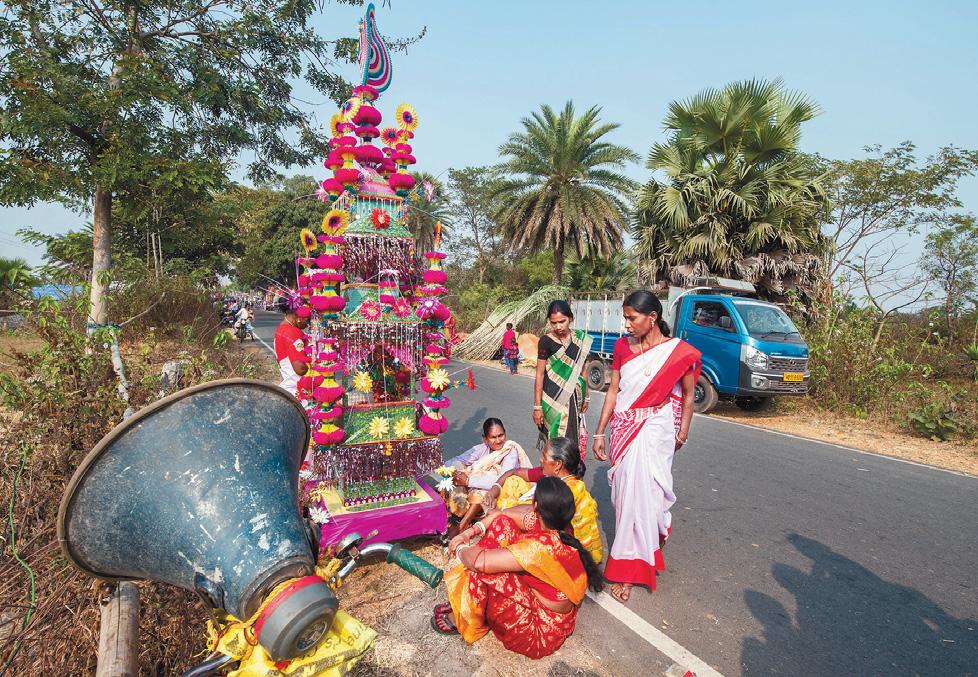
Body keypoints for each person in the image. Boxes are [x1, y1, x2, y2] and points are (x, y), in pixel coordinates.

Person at [591, 290, 700, 603]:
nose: (626, 324)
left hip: (656, 428)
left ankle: (629, 570)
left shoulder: (677, 352)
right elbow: (613, 392)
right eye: (625, 317)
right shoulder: (622, 346)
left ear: (652, 318)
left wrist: (683, 432)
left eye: (632, 318)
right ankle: (649, 540)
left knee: (649, 495)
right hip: (625, 426)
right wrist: (600, 433)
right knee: (626, 499)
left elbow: (690, 396)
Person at [433, 477, 604, 658]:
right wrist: (470, 532)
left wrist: (459, 547)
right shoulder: (558, 526)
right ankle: (469, 604)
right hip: (545, 607)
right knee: (502, 526)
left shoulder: (539, 548)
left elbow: (479, 562)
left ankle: (466, 619)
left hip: (538, 632)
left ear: (536, 505)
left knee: (485, 572)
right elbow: (502, 515)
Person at [482, 436, 603, 564]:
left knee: (504, 522)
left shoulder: (565, 492)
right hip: (550, 529)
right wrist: (493, 491)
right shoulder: (554, 475)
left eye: (544, 456)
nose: (540, 459)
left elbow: (532, 516)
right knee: (513, 482)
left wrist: (499, 512)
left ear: (557, 464)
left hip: (568, 552)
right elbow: (514, 472)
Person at [441, 418, 532, 533]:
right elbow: (456, 461)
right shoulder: (482, 448)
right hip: (479, 484)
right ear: (485, 439)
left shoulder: (510, 451)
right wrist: (457, 473)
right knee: (449, 483)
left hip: (502, 490)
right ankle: (450, 521)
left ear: (505, 434)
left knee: (481, 493)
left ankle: (463, 525)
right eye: (493, 437)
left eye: (501, 435)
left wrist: (469, 480)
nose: (498, 440)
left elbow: (503, 479)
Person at [533, 300, 591, 452]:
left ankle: (569, 473)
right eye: (553, 323)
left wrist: (586, 396)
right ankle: (553, 473)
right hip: (552, 398)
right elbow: (539, 374)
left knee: (572, 437)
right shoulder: (545, 341)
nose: (558, 326)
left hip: (574, 397)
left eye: (562, 321)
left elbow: (583, 369)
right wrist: (537, 406)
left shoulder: (580, 339)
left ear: (570, 318)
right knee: (555, 440)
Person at [273, 298, 311, 396]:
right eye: (307, 319)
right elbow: (300, 368)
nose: (307, 324)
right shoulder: (293, 332)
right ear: (298, 316)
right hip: (296, 390)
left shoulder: (281, 329)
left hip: (288, 387)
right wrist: (313, 365)